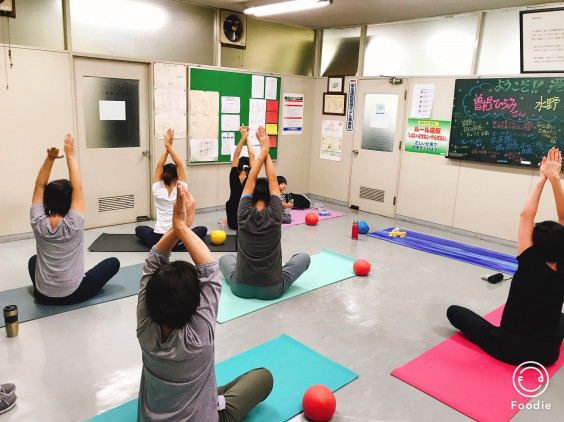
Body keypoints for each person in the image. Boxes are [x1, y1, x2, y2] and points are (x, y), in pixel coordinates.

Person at [137, 182, 273, 421]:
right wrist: (181, 226)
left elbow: (153, 263)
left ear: (150, 298)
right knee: (263, 376)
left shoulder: (145, 326)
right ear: (195, 304)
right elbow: (210, 270)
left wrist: (178, 226)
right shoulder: (198, 337)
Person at [447, 147, 564, 366]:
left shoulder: (530, 260)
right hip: (546, 356)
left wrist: (542, 178)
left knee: (454, 312)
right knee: (559, 320)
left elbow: (525, 216)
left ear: (535, 244)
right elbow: (563, 218)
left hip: (507, 348)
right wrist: (555, 179)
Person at [219, 126, 311, 300]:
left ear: (250, 197)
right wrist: (265, 149)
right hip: (272, 290)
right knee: (303, 258)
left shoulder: (242, 211)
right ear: (271, 197)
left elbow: (251, 179)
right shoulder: (276, 214)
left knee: (225, 259)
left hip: (240, 288)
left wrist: (263, 151)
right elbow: (273, 180)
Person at [29, 133, 120, 305]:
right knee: (113, 263)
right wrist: (70, 155)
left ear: (46, 201)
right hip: (74, 294)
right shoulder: (74, 224)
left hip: (42, 294)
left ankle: (49, 288)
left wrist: (50, 158)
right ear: (70, 202)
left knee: (33, 261)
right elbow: (78, 188)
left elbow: (39, 185)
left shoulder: (37, 221)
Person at [135, 128, 207, 250]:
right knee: (203, 230)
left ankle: (161, 240)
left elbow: (159, 165)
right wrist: (169, 146)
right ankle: (177, 244)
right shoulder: (181, 189)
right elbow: (179, 164)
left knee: (139, 229)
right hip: (179, 238)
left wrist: (166, 146)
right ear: (177, 177)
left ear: (163, 176)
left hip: (158, 240)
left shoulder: (157, 189)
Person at [225, 125, 256, 230]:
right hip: (247, 223)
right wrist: (247, 137)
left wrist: (242, 137)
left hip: (232, 222)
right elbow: (252, 155)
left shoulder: (233, 173)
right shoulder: (252, 175)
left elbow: (236, 155)